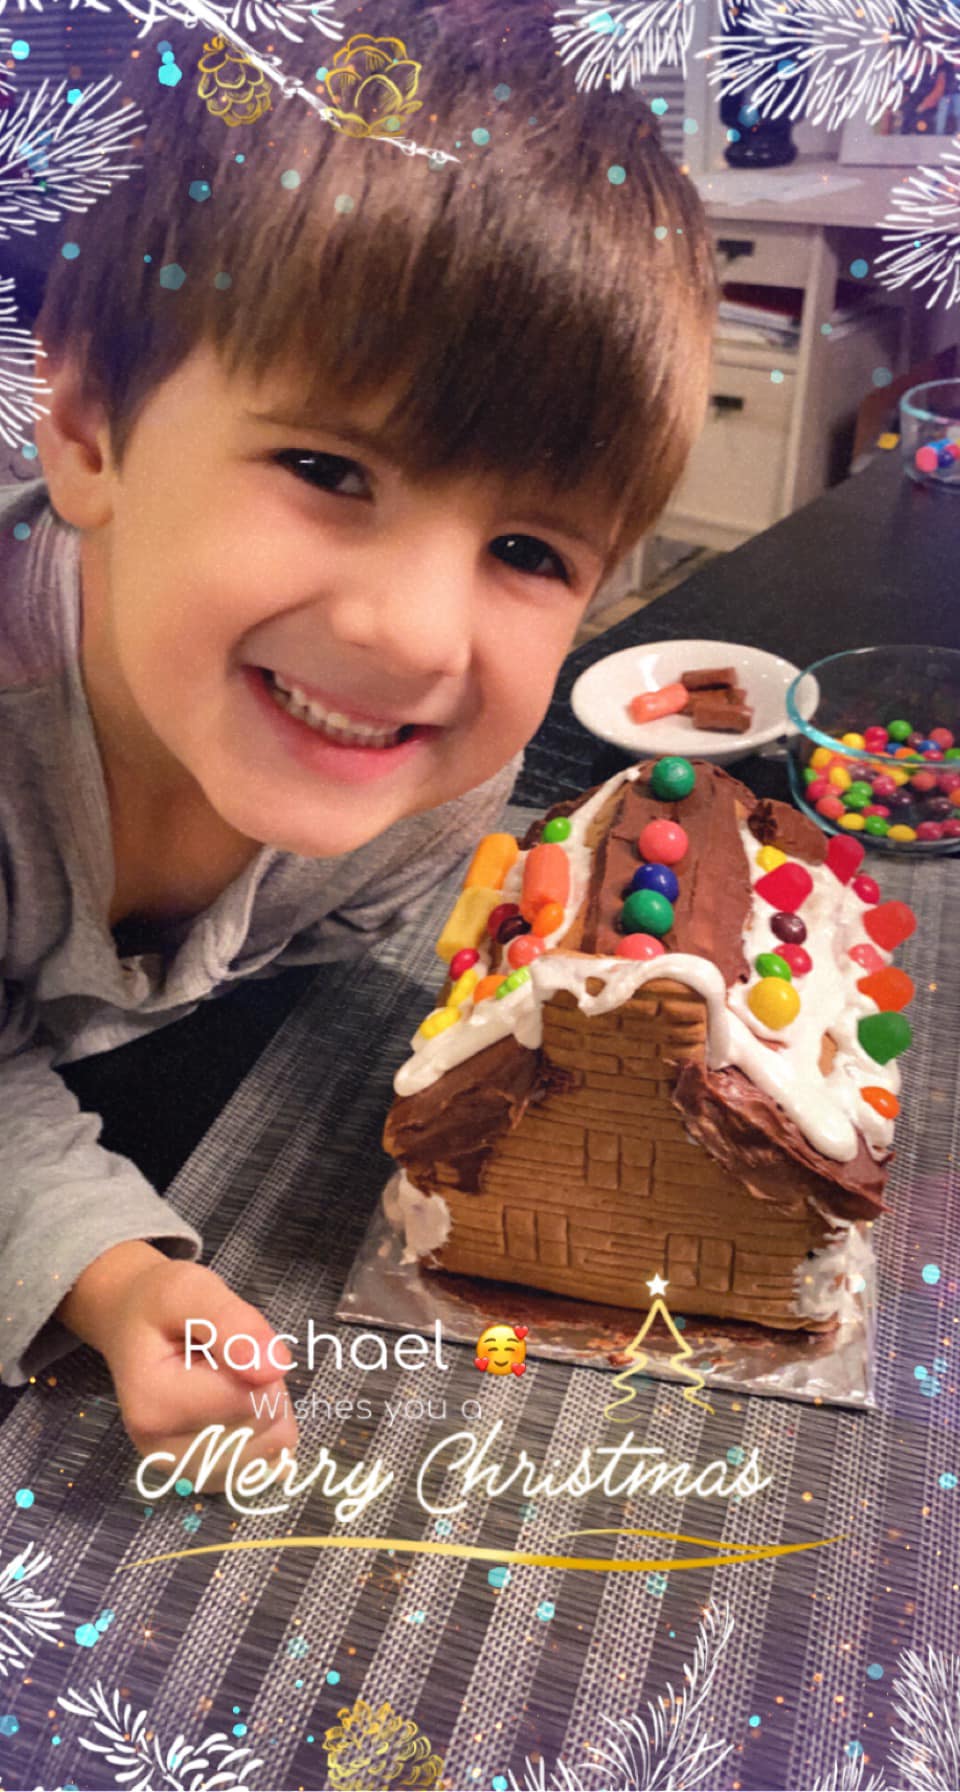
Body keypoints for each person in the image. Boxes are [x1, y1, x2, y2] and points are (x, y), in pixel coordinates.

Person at [0, 0, 717, 1475]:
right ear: (85, 430)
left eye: (528, 551)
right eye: (329, 469)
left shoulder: (429, 792)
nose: (419, 638)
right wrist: (109, 1273)